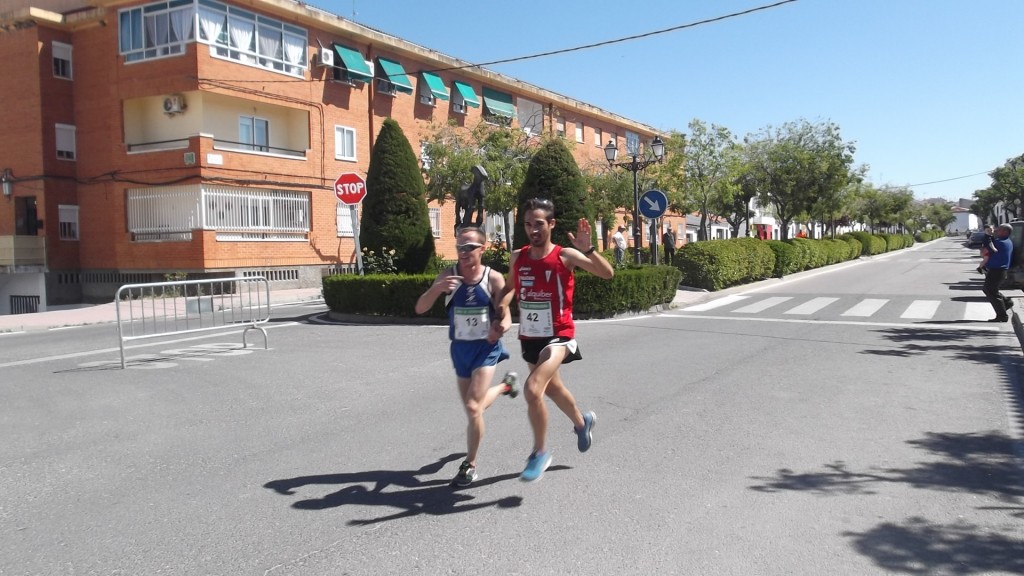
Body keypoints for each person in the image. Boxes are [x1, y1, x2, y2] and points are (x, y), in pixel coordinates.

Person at [496, 198, 616, 482]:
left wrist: (589, 249)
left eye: (539, 224)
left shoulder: (566, 256)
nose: (533, 230)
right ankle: (581, 422)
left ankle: (539, 453)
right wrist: (502, 309)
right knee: (552, 389)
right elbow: (510, 287)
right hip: (530, 337)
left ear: (551, 224)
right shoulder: (518, 257)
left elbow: (607, 273)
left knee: (533, 389)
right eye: (528, 224)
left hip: (559, 335)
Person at [414, 226, 518, 487]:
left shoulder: (492, 278)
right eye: (460, 247)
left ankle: (470, 464)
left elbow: (505, 312)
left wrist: (502, 327)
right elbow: (420, 308)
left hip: (486, 348)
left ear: (482, 249)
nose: (463, 252)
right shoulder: (449, 276)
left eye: (469, 247)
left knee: (473, 407)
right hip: (460, 350)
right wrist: (436, 289)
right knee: (474, 410)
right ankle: (506, 386)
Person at [981, 223, 1015, 322]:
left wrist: (988, 235)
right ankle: (1007, 303)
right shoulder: (1006, 241)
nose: (996, 230)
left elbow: (986, 248)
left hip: (998, 270)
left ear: (1005, 232)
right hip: (998, 270)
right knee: (989, 290)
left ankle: (1002, 315)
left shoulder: (1000, 242)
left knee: (991, 291)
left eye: (998, 229)